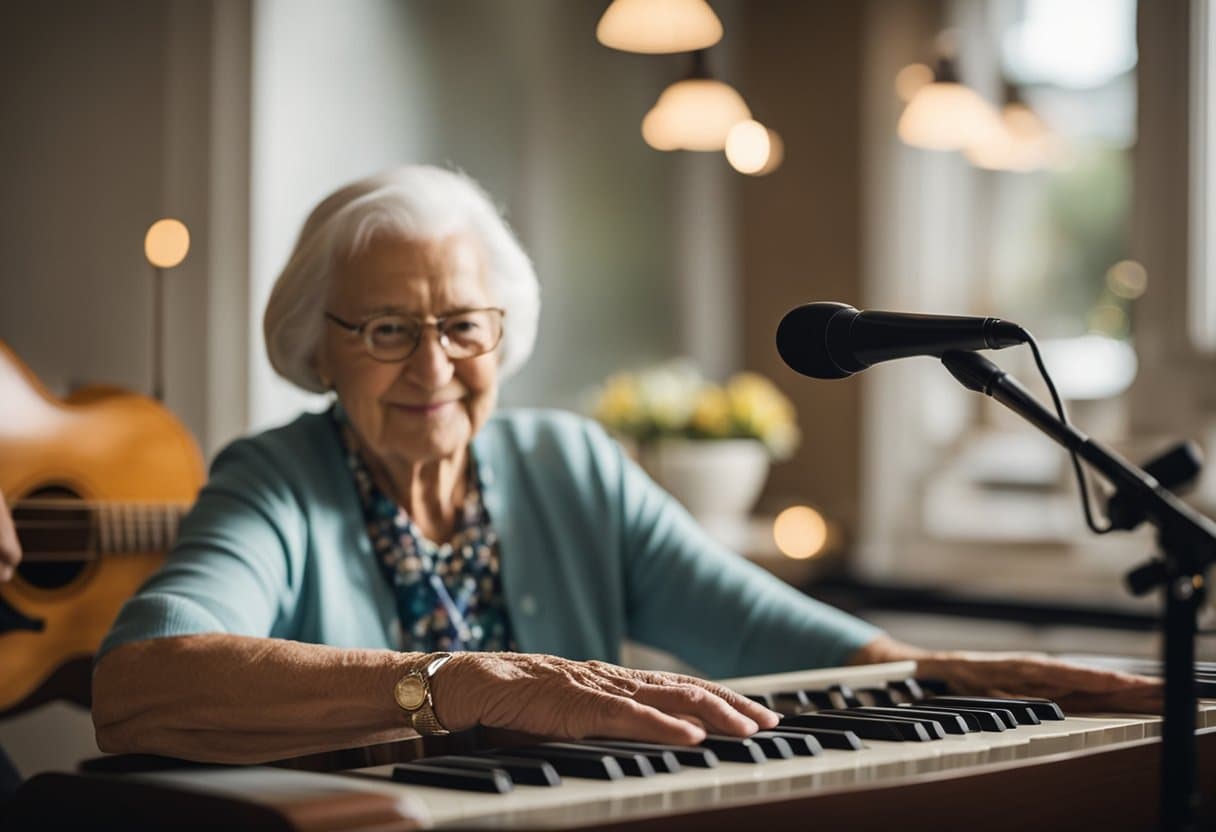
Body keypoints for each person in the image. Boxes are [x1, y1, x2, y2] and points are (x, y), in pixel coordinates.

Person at [86, 166, 1159, 765]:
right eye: (383, 330)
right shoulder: (277, 480)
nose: (434, 365)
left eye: (464, 324)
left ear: (504, 332)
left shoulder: (566, 461)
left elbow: (749, 622)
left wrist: (940, 669)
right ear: (317, 346)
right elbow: (140, 685)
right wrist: (460, 684)